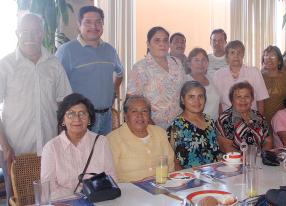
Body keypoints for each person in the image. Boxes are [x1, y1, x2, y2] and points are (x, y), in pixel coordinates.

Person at [0, 13, 72, 201]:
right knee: (17, 198)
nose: (31, 37)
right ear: (17, 34)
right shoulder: (5, 66)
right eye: (25, 32)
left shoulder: (54, 65)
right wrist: (5, 146)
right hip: (15, 149)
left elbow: (65, 106)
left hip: (49, 147)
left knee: (48, 197)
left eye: (36, 32)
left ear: (43, 33)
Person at [56, 6, 123, 136]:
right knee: (81, 156)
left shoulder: (110, 50)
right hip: (80, 119)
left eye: (98, 22)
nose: (94, 26)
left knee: (102, 155)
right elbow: (56, 85)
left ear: (103, 24)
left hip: (106, 117)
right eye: (88, 22)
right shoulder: (66, 51)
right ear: (79, 24)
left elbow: (120, 73)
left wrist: (112, 91)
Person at [41, 93, 116, 199]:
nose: (77, 119)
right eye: (70, 114)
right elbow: (47, 191)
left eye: (82, 113)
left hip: (98, 201)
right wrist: (80, 193)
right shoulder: (51, 148)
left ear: (89, 119)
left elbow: (111, 179)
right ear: (63, 120)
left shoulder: (101, 142)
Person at [127, 26, 187, 129]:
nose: (162, 44)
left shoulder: (177, 63)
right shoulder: (140, 67)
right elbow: (132, 101)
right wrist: (151, 125)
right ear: (148, 44)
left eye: (165, 40)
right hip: (151, 125)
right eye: (157, 40)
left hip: (179, 125)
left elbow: (185, 92)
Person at [108, 95, 175, 182]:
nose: (139, 115)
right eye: (134, 111)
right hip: (129, 192)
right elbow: (109, 177)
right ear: (125, 115)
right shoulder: (113, 139)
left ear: (149, 115)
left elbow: (170, 166)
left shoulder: (160, 133)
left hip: (161, 187)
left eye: (144, 111)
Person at [167, 81, 220, 169]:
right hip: (190, 179)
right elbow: (174, 163)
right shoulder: (176, 127)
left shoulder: (209, 121)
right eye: (191, 97)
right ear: (183, 100)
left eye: (200, 96)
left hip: (215, 176)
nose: (197, 101)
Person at [213, 40, 269, 113]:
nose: (236, 56)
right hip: (228, 118)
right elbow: (218, 103)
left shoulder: (254, 72)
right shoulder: (218, 75)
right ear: (227, 56)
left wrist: (259, 121)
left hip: (250, 118)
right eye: (232, 52)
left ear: (243, 55)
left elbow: (260, 100)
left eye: (239, 52)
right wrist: (222, 120)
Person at [216, 82, 273, 153]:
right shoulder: (225, 119)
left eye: (247, 96)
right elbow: (226, 148)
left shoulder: (258, 116)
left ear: (252, 99)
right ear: (232, 100)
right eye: (238, 97)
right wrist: (248, 160)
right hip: (235, 162)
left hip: (259, 160)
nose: (243, 100)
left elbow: (268, 141)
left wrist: (261, 157)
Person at [261, 45, 286, 122]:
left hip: (281, 121)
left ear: (279, 61)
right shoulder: (258, 76)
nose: (269, 59)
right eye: (266, 56)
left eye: (273, 56)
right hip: (262, 120)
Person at [186, 48, 220, 120]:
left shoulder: (212, 78)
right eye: (196, 60)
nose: (200, 63)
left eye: (203, 60)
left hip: (214, 125)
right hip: (195, 126)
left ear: (207, 63)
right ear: (189, 64)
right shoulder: (185, 81)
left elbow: (218, 103)